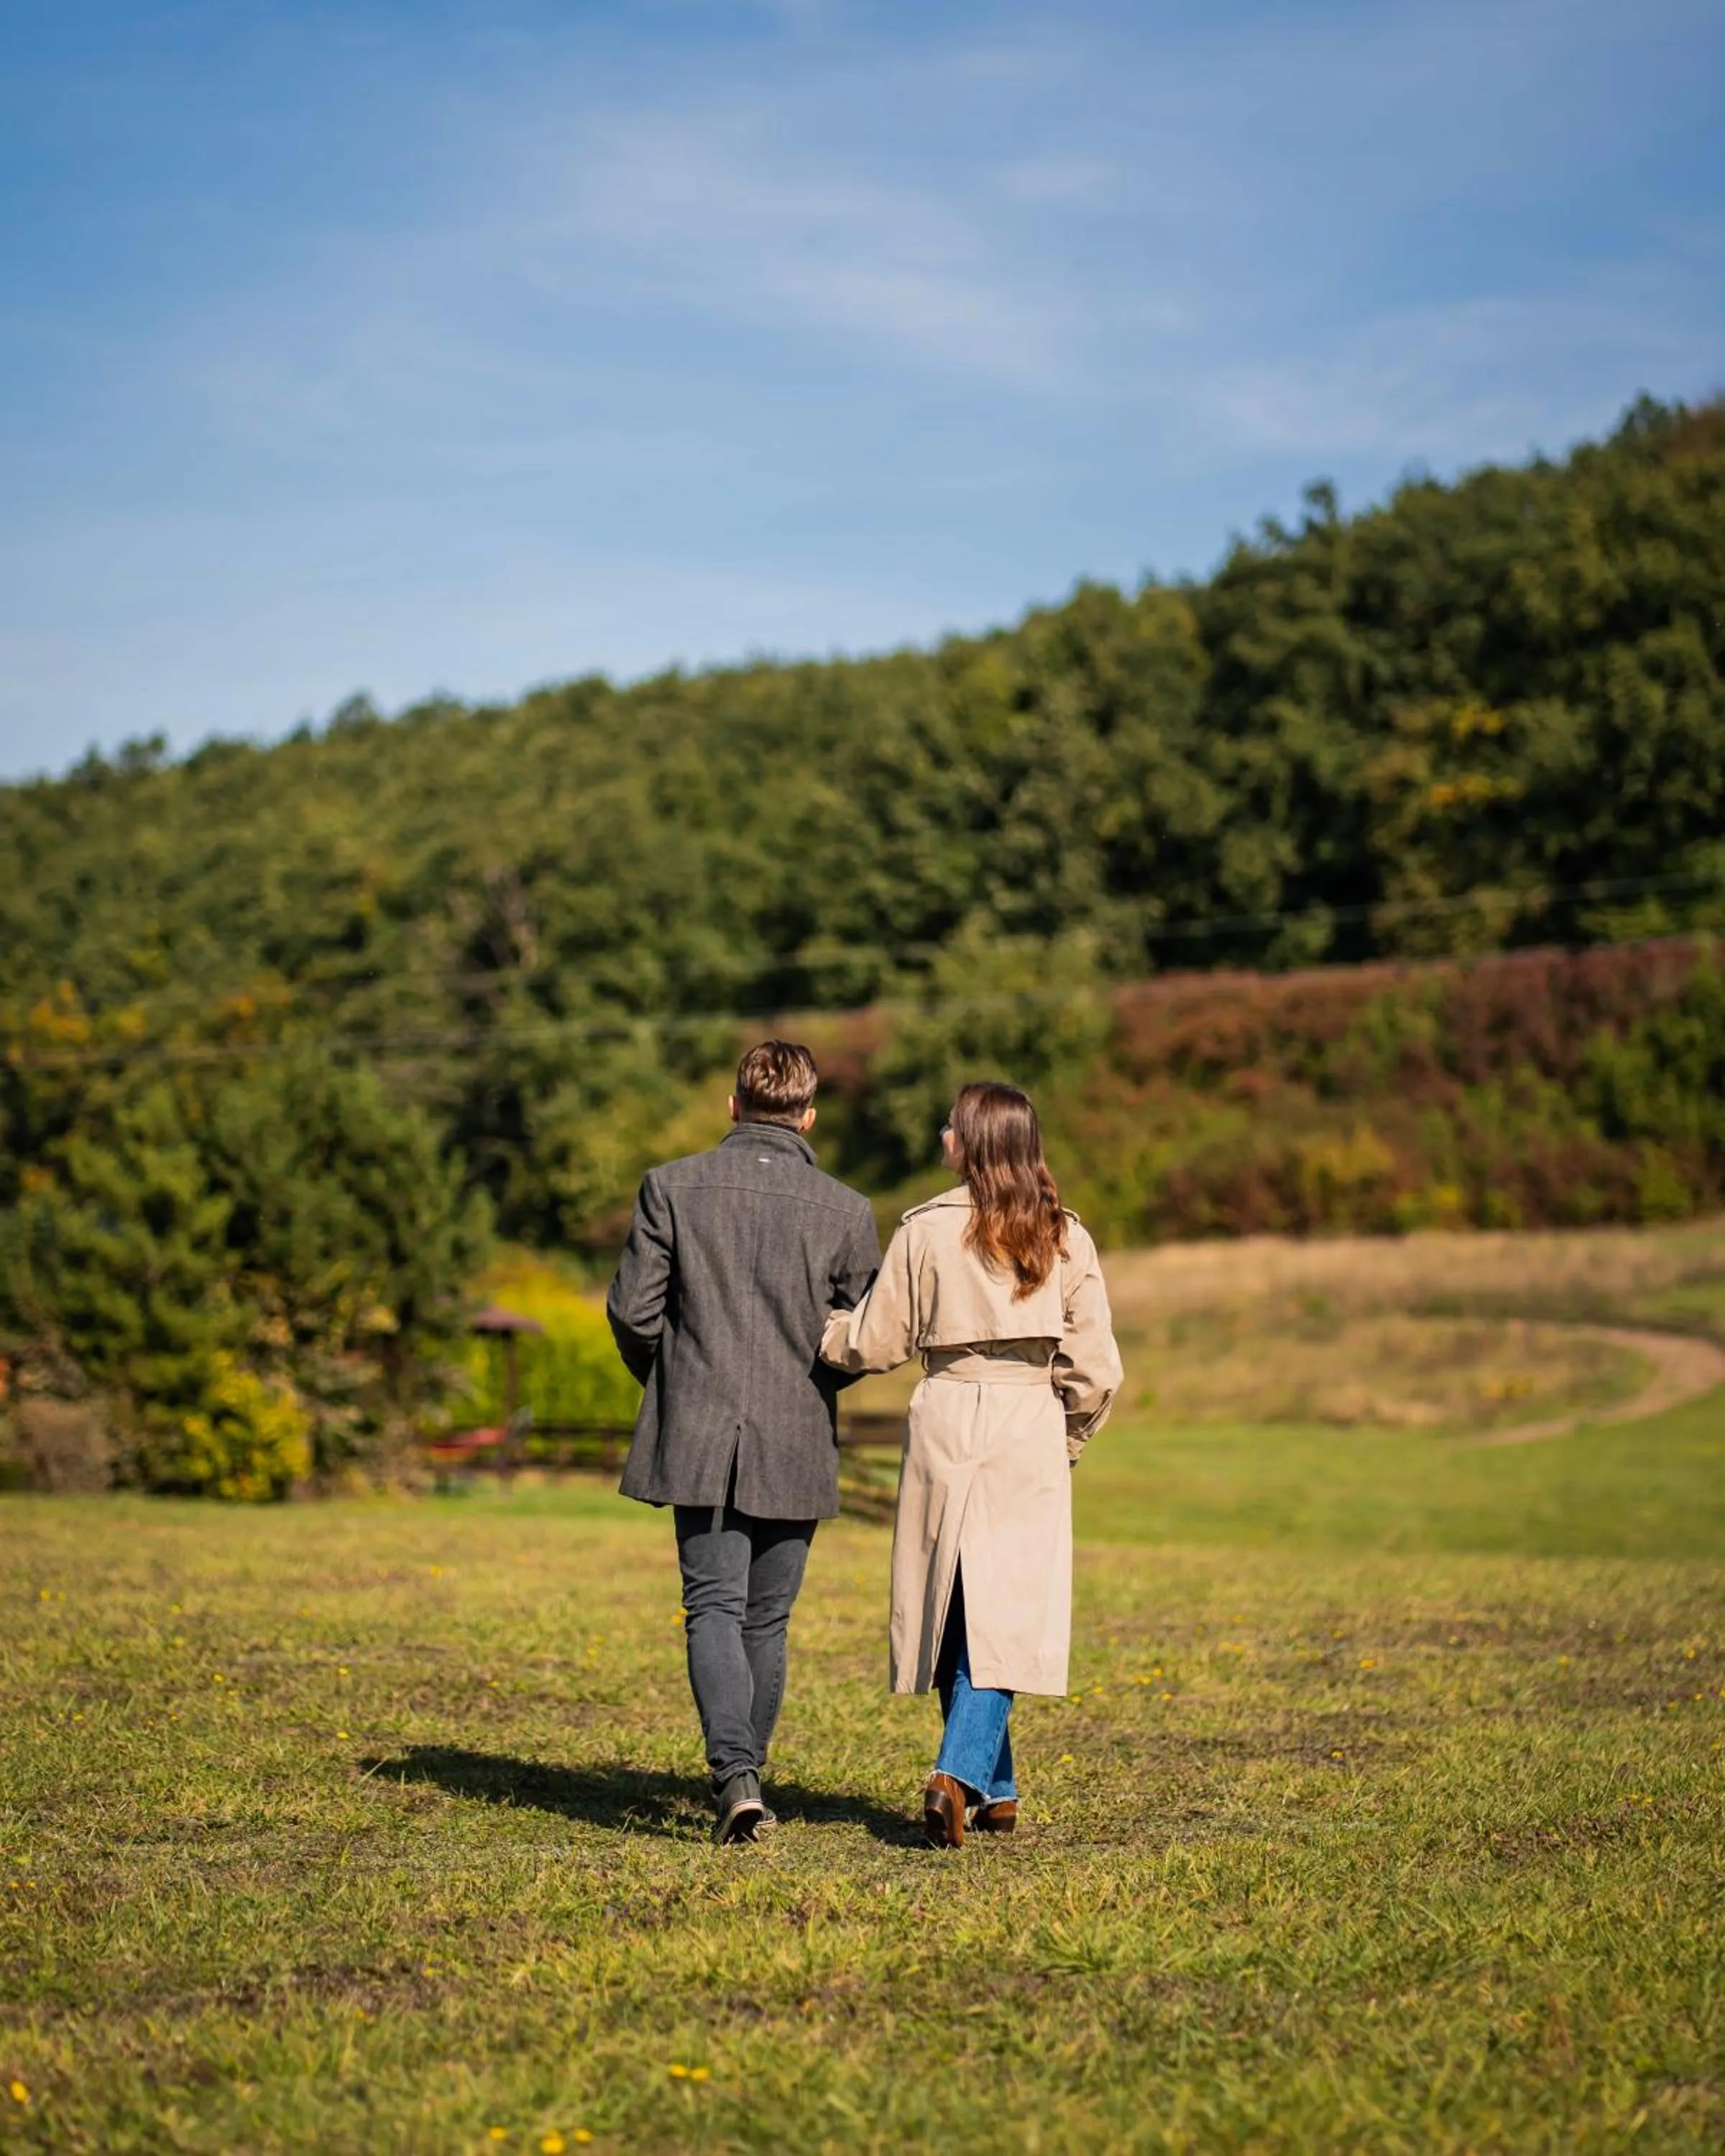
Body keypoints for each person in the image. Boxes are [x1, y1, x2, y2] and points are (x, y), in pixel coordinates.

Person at [820, 1080, 1121, 1847]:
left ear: (976, 1142)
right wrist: (1067, 1441)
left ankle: (963, 1777)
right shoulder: (1066, 1236)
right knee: (1001, 1606)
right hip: (1029, 1418)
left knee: (954, 1600)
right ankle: (987, 1786)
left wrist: (823, 1333)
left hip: (948, 1411)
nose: (941, 1137)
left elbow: (877, 1343)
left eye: (950, 1128)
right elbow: (1097, 1371)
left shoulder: (924, 1228)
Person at [607, 1040, 881, 1844]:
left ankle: (737, 1777)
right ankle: (742, 1773)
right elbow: (860, 1337)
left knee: (713, 1607)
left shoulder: (670, 1187)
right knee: (767, 1619)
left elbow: (632, 1312)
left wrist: (676, 1378)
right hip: (797, 1428)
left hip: (696, 1422)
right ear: (808, 1116)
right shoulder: (846, 1209)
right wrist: (818, 1390)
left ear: (733, 1107)